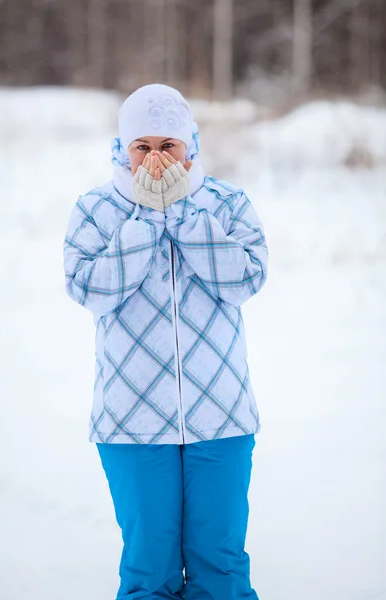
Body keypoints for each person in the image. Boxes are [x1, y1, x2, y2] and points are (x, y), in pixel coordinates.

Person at [63, 83, 268, 600]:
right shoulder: (95, 210)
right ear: (123, 149)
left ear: (190, 146)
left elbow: (243, 280)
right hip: (130, 421)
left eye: (168, 146)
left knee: (219, 566)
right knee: (149, 569)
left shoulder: (226, 203)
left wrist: (181, 214)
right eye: (142, 147)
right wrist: (146, 221)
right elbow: (89, 290)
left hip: (220, 417)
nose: (155, 159)